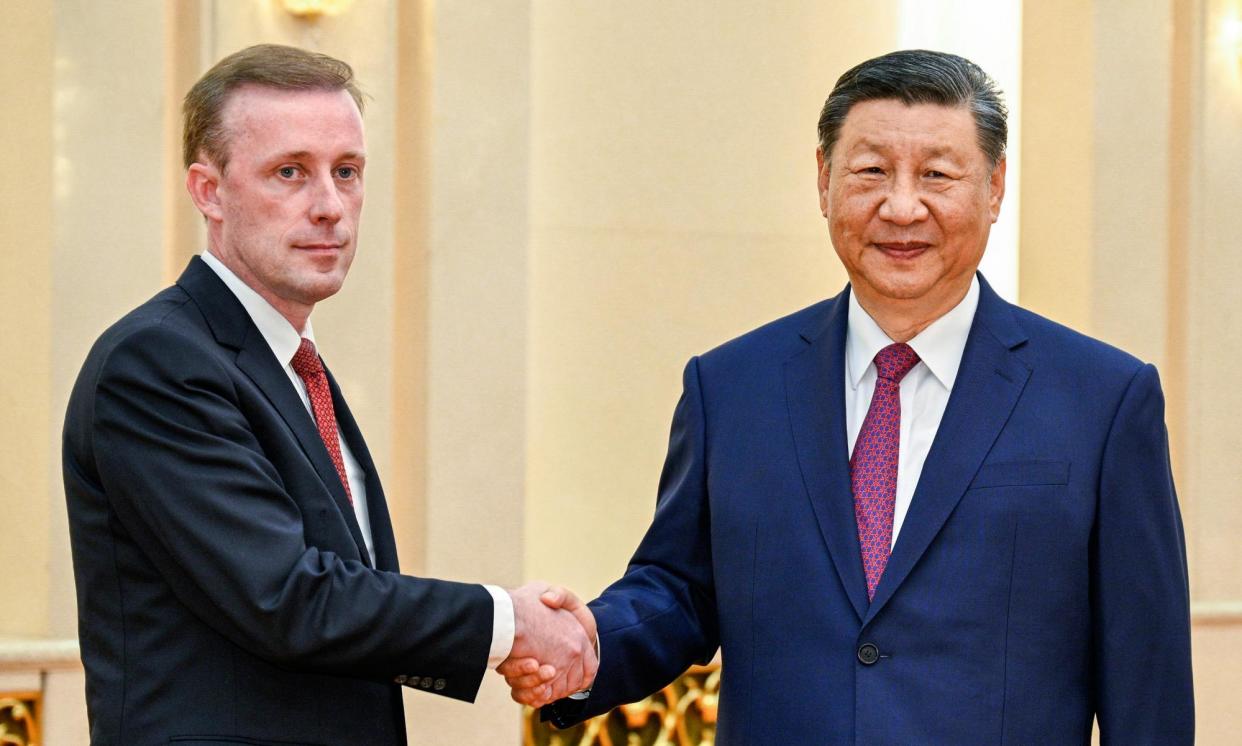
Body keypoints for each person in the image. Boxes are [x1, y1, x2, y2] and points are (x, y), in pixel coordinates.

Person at [501, 49, 1194, 744]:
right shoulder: (732, 386)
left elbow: (1147, 677)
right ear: (824, 182)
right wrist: (592, 643)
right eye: (870, 172)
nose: (900, 206)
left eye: (936, 175)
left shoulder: (1103, 400)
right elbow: (681, 589)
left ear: (994, 188)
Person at [62, 44, 595, 745]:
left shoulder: (290, 364)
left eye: (347, 172)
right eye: (291, 172)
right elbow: (287, 598)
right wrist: (512, 624)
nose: (330, 206)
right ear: (208, 191)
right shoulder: (158, 362)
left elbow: (345, 610)